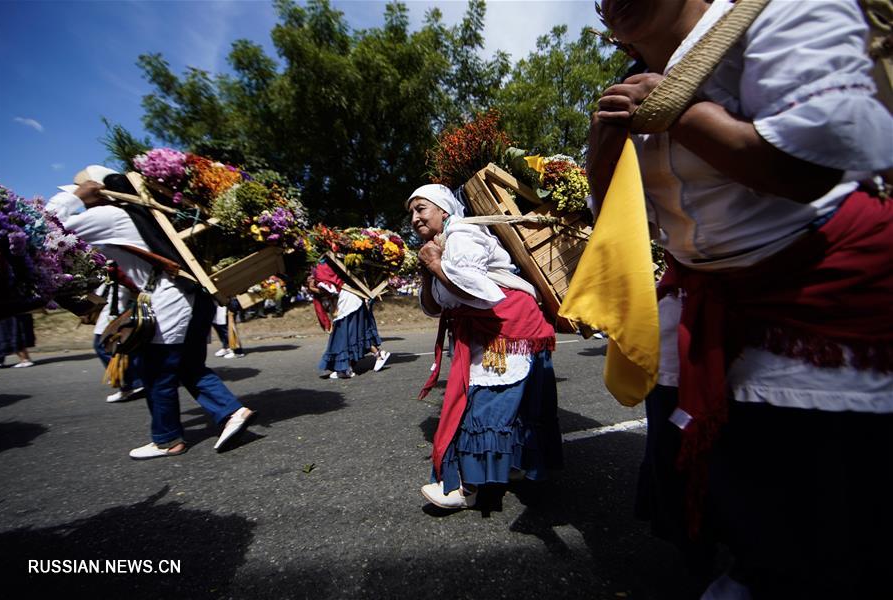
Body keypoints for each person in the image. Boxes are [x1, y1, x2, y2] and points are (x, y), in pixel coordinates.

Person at [591, 1, 893, 597]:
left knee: (830, 518)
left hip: (823, 304)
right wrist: (603, 144)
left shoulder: (779, 12)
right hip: (711, 305)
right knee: (739, 503)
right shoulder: (631, 87)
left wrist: (680, 112)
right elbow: (618, 222)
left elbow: (811, 163)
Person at [47, 167, 256, 459]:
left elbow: (50, 229)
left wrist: (76, 198)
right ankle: (232, 412)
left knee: (156, 370)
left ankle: (167, 439)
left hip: (171, 299)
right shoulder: (143, 212)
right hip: (195, 295)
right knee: (187, 366)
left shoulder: (112, 215)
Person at [407, 184, 563, 510]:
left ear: (444, 211)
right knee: (500, 400)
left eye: (421, 208)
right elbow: (437, 307)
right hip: (486, 328)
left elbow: (479, 292)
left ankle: (466, 487)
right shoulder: (439, 244)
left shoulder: (463, 235)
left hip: (506, 328)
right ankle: (514, 464)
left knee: (488, 401)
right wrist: (427, 274)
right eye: (411, 212)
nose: (414, 217)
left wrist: (436, 266)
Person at [311, 264, 390, 378]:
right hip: (353, 298)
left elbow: (330, 289)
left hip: (348, 301)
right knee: (356, 333)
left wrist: (313, 288)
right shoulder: (328, 265)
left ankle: (346, 368)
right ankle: (377, 355)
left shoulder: (322, 269)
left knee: (343, 335)